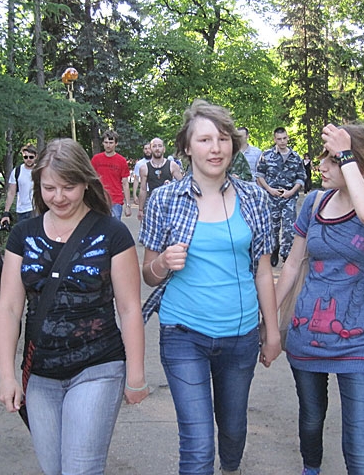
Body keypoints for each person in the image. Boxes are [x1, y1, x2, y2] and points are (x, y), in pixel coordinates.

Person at [139, 99, 281, 475]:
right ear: (187, 148)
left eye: (223, 139)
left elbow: (263, 272)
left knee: (232, 430)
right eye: (204, 140)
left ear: (233, 145)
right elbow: (148, 274)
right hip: (183, 334)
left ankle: (231, 467)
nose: (215, 148)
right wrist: (162, 262)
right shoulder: (164, 199)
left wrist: (272, 332)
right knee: (198, 445)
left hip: (241, 337)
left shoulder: (254, 197)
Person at [0, 137, 148, 475]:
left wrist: (136, 374)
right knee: (54, 469)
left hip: (98, 365)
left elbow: (128, 308)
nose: (59, 197)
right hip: (40, 372)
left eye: (69, 187)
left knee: (80, 469)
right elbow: (8, 308)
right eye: (49, 188)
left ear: (85, 183)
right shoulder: (22, 235)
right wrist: (7, 375)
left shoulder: (113, 233)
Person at [275, 123, 364, 475]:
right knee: (311, 419)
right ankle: (311, 469)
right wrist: (268, 320)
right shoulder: (314, 202)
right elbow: (291, 265)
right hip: (306, 335)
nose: (322, 166)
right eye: (325, 158)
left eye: (333, 160)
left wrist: (346, 153)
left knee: (360, 444)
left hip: (359, 342)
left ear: (359, 165)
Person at [255, 127, 306, 267]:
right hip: (272, 197)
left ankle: (286, 255)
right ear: (275, 139)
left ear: (287, 138)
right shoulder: (267, 155)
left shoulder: (295, 157)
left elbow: (301, 178)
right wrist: (269, 189)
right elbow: (259, 175)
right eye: (279, 139)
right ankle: (274, 249)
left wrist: (291, 191)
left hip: (289, 197)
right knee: (273, 228)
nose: (282, 141)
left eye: (284, 138)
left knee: (289, 228)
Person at [136, 137, 183, 221]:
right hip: (152, 203)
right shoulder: (144, 168)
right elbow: (143, 189)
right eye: (154, 146)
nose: (157, 149)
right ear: (150, 149)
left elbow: (182, 186)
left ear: (164, 149)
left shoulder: (172, 165)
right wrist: (140, 209)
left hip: (169, 204)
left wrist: (172, 185)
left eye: (160, 146)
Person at [90, 129, 132, 220]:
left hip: (116, 201)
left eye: (111, 142)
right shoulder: (96, 159)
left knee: (113, 226)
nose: (108, 145)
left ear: (116, 144)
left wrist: (128, 205)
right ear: (103, 143)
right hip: (100, 199)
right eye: (106, 142)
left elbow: (125, 183)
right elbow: (91, 179)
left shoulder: (121, 161)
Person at [0, 143, 37, 227]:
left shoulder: (40, 171)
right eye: (25, 157)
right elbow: (11, 192)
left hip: (37, 210)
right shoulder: (17, 171)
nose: (28, 159)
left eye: (31, 157)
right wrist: (6, 212)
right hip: (22, 211)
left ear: (36, 157)